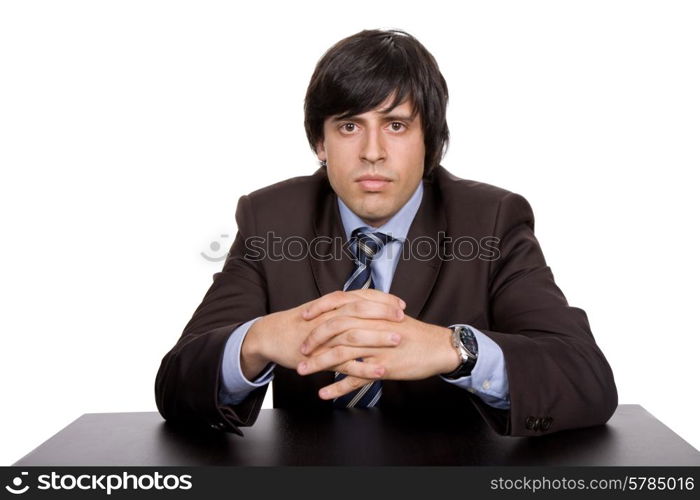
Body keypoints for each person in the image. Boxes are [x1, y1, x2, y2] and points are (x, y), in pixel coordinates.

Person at [155, 29, 617, 437]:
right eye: (350, 126)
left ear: (430, 142)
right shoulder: (269, 218)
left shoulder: (493, 220)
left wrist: (457, 349)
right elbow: (177, 384)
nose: (372, 152)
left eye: (396, 125)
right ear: (320, 142)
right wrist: (257, 340)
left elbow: (586, 380)